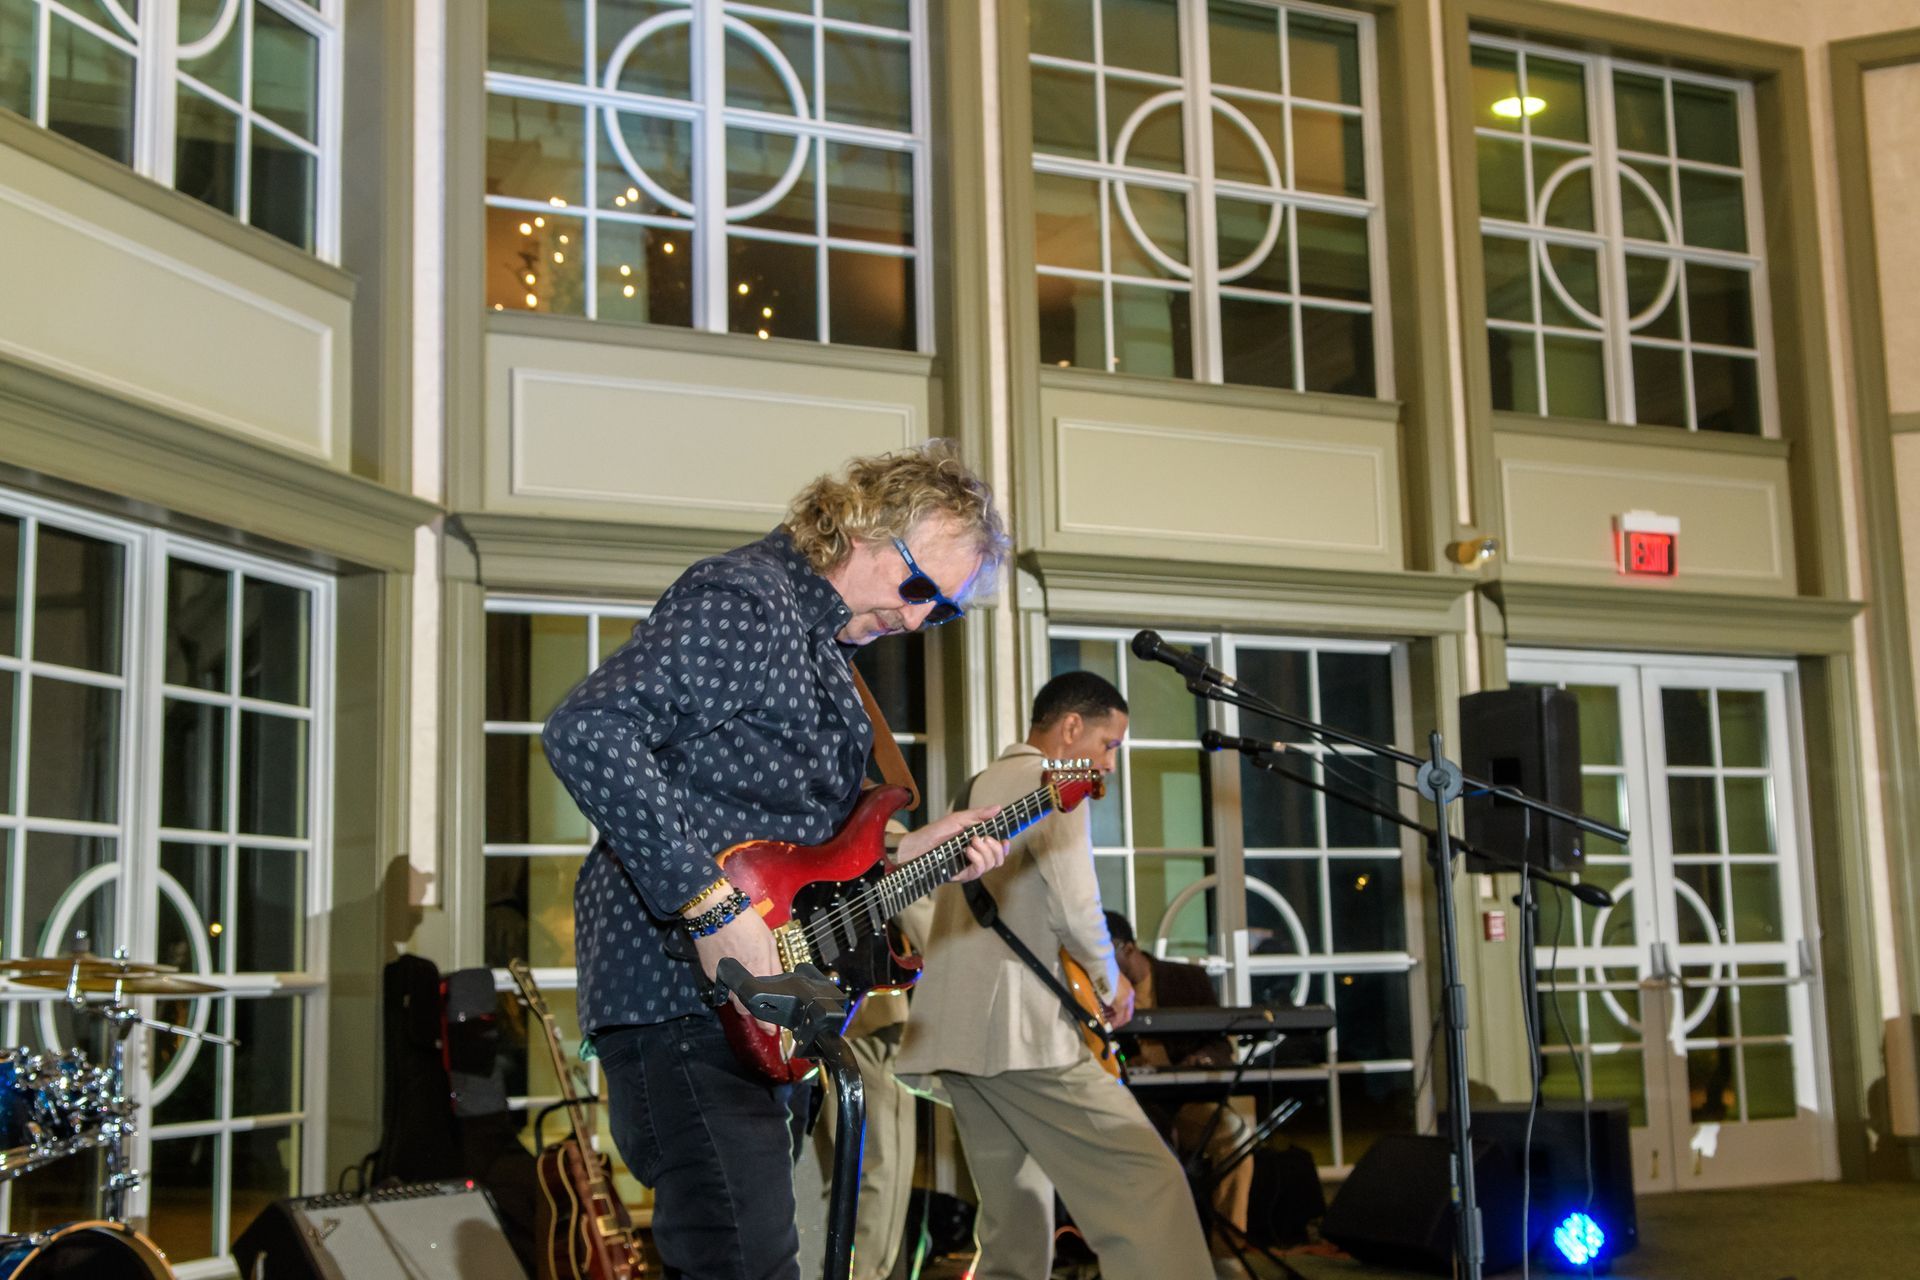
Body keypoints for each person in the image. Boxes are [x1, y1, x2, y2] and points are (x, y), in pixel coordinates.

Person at [542, 440, 1013, 1280]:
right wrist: (712, 908)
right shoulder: (748, 600)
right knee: (746, 1262)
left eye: (940, 613)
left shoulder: (827, 648)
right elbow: (588, 730)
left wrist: (908, 850)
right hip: (679, 995)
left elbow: (793, 849)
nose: (916, 622)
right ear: (862, 527)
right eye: (917, 589)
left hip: (767, 1006)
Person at [896, 672, 1214, 1280]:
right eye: (1109, 744)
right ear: (1071, 727)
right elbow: (1075, 907)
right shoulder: (1053, 782)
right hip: (1023, 1034)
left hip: (958, 1036)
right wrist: (1111, 983)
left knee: (1014, 1229)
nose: (1110, 763)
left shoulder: (980, 784)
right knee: (1149, 1183)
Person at [1107, 910, 1257, 1244]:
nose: (1099, 965)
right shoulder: (1097, 994)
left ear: (1128, 948)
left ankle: (1226, 1252)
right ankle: (1152, 1248)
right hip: (1135, 1105)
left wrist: (1198, 1061)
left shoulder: (1187, 980)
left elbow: (1220, 1045)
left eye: (1105, 953)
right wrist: (1125, 1060)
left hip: (1188, 1099)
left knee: (1235, 1138)